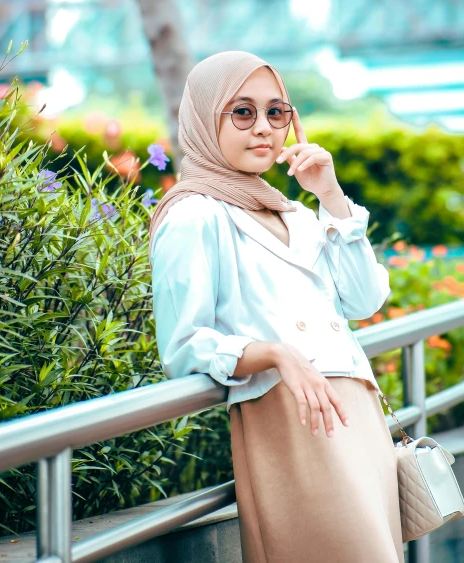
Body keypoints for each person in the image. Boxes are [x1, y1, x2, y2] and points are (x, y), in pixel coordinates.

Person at [149, 50, 404, 563]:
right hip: (289, 416)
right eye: (242, 112)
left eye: (277, 112)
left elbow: (365, 298)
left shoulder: (297, 213)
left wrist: (330, 197)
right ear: (204, 118)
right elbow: (183, 345)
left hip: (357, 413)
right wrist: (276, 354)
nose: (264, 127)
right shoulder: (194, 216)